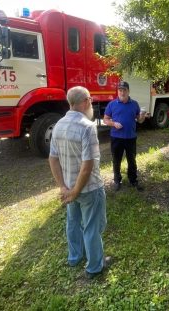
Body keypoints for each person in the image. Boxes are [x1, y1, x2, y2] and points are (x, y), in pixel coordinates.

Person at [48, 86, 110, 279]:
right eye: (90, 99)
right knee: (92, 227)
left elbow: (53, 159)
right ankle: (94, 267)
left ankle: (74, 257)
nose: (91, 103)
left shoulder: (58, 125)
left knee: (73, 223)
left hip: (69, 188)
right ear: (85, 102)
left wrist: (64, 187)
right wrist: (74, 191)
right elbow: (87, 166)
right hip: (89, 188)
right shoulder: (87, 126)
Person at [104, 81, 149, 192]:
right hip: (116, 138)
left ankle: (133, 180)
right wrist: (114, 124)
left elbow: (139, 120)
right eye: (120, 90)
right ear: (117, 91)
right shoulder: (112, 104)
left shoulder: (134, 104)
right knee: (116, 160)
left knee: (132, 160)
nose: (122, 92)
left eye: (124, 90)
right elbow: (105, 120)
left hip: (130, 137)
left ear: (128, 91)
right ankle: (117, 181)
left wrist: (143, 115)